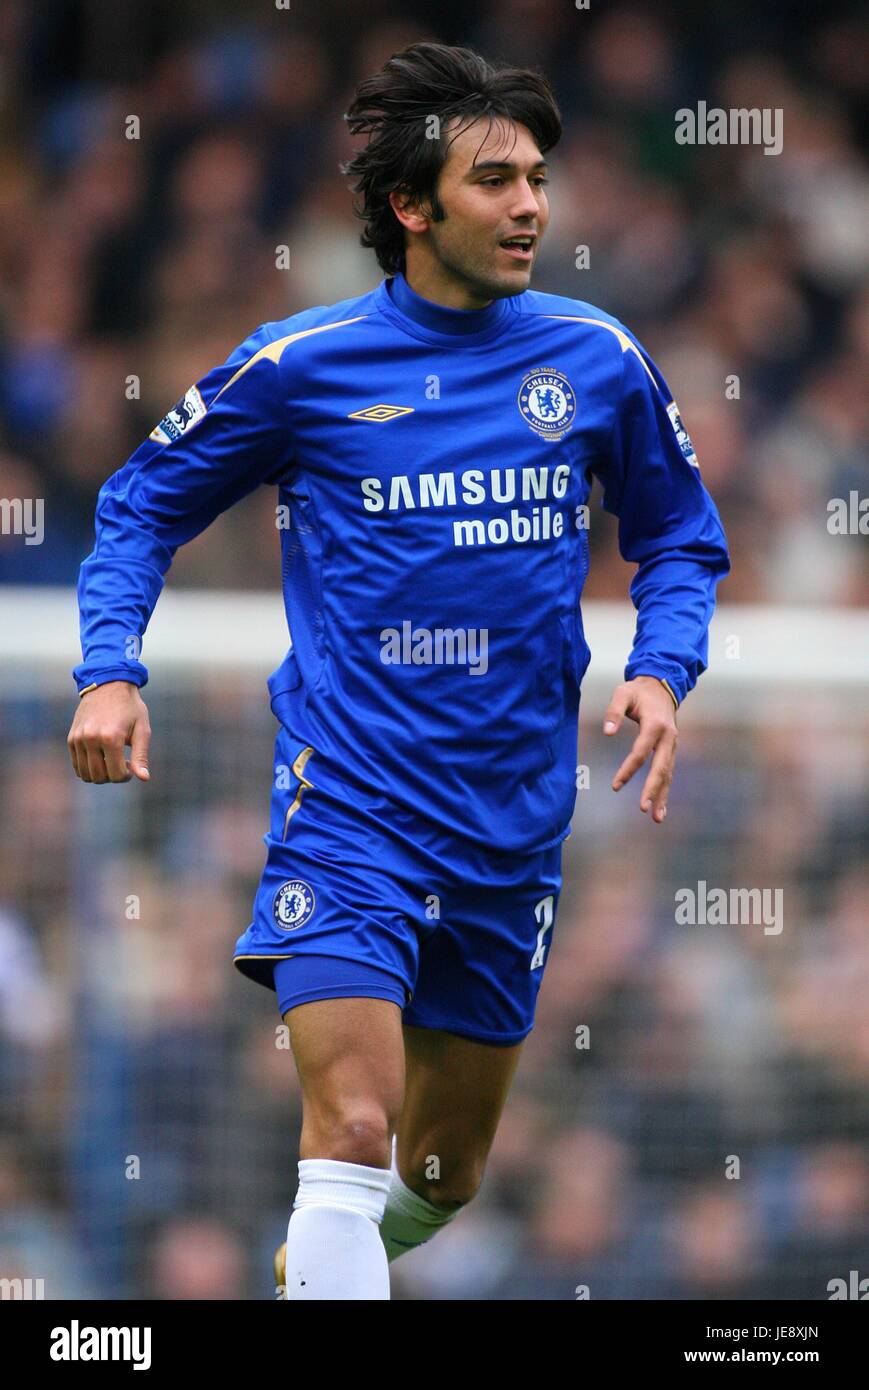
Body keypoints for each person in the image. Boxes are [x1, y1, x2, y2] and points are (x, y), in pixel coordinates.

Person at [67, 41, 730, 1300]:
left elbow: (678, 537)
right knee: (355, 1136)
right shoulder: (299, 366)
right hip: (351, 810)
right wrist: (111, 670)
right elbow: (139, 504)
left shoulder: (596, 359)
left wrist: (662, 668)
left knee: (443, 1167)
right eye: (494, 181)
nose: (531, 204)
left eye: (536, 177)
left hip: (512, 824)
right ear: (411, 208)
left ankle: (320, 1266)